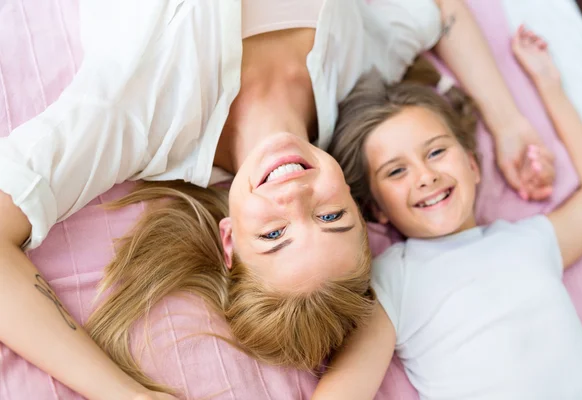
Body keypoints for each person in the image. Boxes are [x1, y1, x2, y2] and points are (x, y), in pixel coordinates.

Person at [0, 0, 554, 398]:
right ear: (362, 210)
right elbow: (442, 11)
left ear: (228, 242)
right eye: (332, 216)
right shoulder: (358, 69)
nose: (295, 197)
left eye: (274, 236)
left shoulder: (137, 116)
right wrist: (507, 123)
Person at [314, 26, 582, 399]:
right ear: (376, 209)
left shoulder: (529, 240)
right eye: (396, 171)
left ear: (472, 165)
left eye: (435, 152)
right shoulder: (393, 278)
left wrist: (549, 86)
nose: (426, 176)